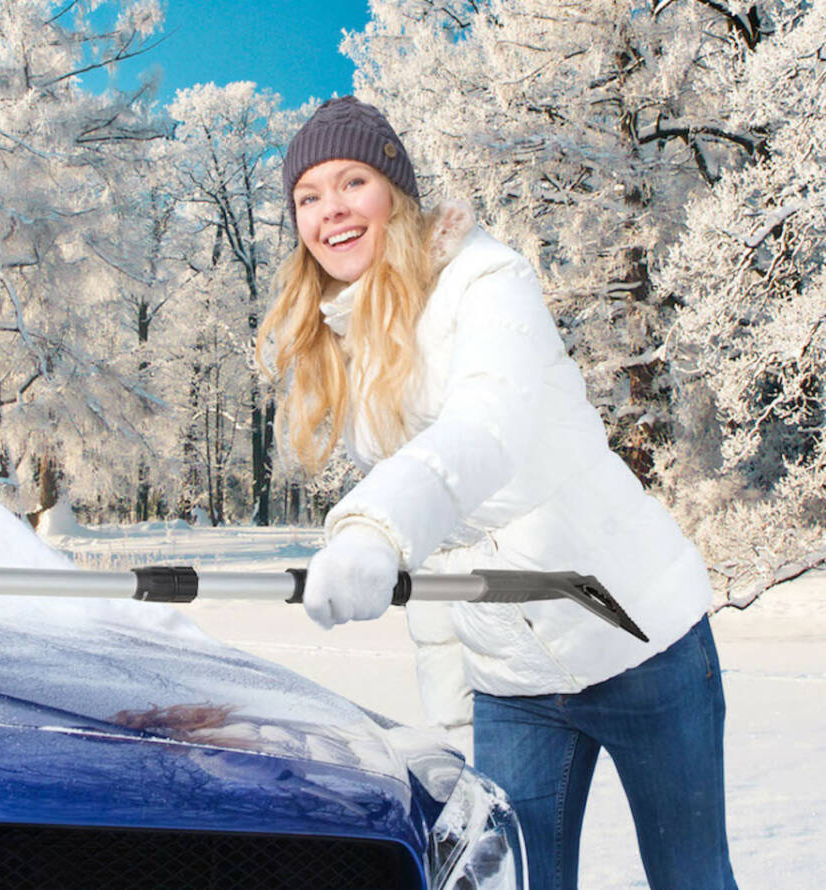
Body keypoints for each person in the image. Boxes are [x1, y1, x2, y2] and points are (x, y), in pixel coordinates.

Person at [258, 96, 737, 890]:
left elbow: (487, 432)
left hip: (639, 638)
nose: (330, 211)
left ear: (396, 194)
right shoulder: (351, 345)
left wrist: (377, 525)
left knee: (692, 879)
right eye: (308, 197)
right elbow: (446, 553)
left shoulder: (486, 280)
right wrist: (454, 715)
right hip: (511, 683)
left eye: (352, 183)